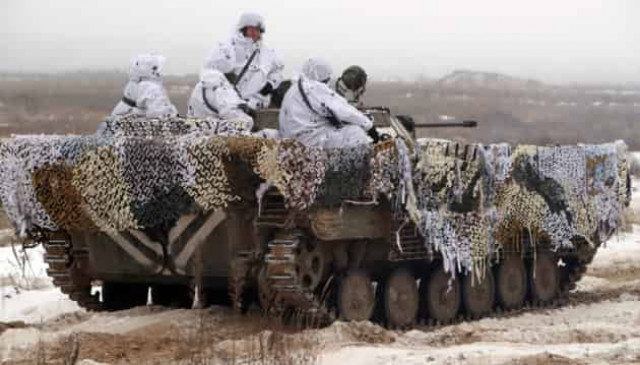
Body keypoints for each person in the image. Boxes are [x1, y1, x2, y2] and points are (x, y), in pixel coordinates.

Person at [279, 58, 382, 148]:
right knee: (356, 133)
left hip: (294, 137)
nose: (327, 82)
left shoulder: (296, 88)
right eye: (326, 78)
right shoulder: (313, 87)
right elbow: (342, 110)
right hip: (307, 141)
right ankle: (354, 167)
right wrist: (369, 127)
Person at [203, 12, 284, 112]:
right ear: (243, 29)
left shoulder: (267, 53)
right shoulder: (228, 47)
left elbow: (278, 70)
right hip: (229, 105)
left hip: (254, 106)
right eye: (251, 29)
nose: (255, 33)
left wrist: (270, 84)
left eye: (258, 30)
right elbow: (211, 70)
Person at [111, 54, 178, 118]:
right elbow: (158, 113)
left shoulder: (135, 82)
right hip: (133, 122)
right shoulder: (150, 87)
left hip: (120, 115)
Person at [187, 69, 253, 129]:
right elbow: (230, 113)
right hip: (211, 131)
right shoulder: (224, 90)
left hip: (194, 126)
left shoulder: (201, 85)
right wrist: (245, 116)